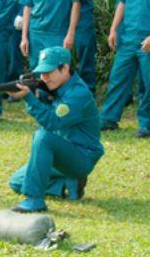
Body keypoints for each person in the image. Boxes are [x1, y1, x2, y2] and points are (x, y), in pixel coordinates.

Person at [7, 47, 104, 212]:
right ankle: (67, 184)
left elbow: (52, 123)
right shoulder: (55, 88)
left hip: (82, 157)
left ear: (65, 68)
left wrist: (29, 98)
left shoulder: (78, 94)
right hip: (61, 153)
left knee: (43, 137)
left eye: (49, 72)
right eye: (42, 73)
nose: (44, 77)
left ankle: (35, 200)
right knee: (16, 182)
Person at [100, 0, 150, 138]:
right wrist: (113, 29)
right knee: (118, 78)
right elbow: (122, 2)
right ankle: (108, 119)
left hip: (148, 40)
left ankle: (145, 123)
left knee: (147, 84)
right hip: (128, 37)